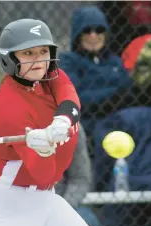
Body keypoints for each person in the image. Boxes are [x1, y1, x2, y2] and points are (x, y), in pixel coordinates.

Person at [0, 18, 108, 226]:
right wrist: (44, 149)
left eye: (43, 51)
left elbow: (69, 94)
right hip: (7, 209)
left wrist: (63, 119)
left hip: (45, 201)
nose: (39, 60)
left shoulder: (49, 77)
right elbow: (44, 174)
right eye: (28, 53)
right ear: (10, 59)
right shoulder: (8, 107)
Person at [59, 6, 134, 138]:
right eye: (87, 30)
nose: (93, 35)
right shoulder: (68, 61)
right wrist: (116, 93)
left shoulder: (115, 62)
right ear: (78, 34)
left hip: (120, 117)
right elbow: (78, 100)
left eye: (99, 30)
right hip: (89, 122)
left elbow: (130, 93)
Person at [55, 124, 102, 226]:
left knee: (88, 222)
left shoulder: (71, 127)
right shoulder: (11, 124)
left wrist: (62, 209)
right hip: (17, 202)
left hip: (60, 201)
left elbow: (80, 179)